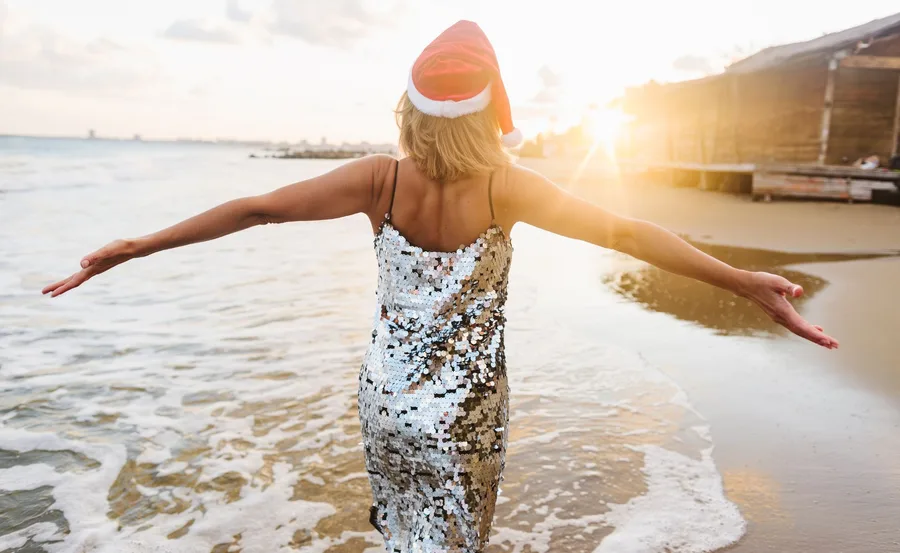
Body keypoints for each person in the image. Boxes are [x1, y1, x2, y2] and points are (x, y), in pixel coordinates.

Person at [42, 20, 838, 553]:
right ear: (489, 107)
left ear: (412, 105)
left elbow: (256, 208)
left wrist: (136, 245)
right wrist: (740, 282)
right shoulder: (507, 187)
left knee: (402, 534)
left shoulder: (377, 180)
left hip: (383, 400)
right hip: (461, 413)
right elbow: (629, 233)